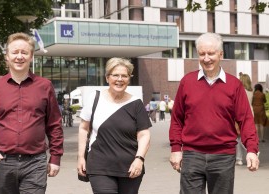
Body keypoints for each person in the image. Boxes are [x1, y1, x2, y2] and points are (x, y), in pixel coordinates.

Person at [169, 32, 259, 194]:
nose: (206, 58)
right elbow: (177, 119)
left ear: (221, 54)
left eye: (211, 53)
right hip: (192, 155)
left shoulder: (234, 85)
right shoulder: (187, 82)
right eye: (202, 54)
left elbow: (245, 120)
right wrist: (176, 148)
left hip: (223, 157)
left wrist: (251, 150)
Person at [0, 32, 64, 194]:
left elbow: (54, 124)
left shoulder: (45, 86)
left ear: (31, 57)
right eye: (14, 52)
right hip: (2, 161)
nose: (19, 56)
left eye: (24, 52)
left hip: (35, 162)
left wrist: (55, 157)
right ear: (7, 57)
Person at [77, 57, 151, 194]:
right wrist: (81, 157)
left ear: (129, 79)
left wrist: (139, 159)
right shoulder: (95, 98)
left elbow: (144, 135)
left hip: (130, 167)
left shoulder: (136, 104)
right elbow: (83, 128)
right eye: (115, 75)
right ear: (107, 78)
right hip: (100, 165)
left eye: (124, 75)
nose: (119, 79)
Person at [235, 73, 254, 165]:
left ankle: (241, 157)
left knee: (238, 137)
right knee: (243, 135)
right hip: (250, 113)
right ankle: (242, 156)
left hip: (242, 113)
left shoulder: (242, 91)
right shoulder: (251, 91)